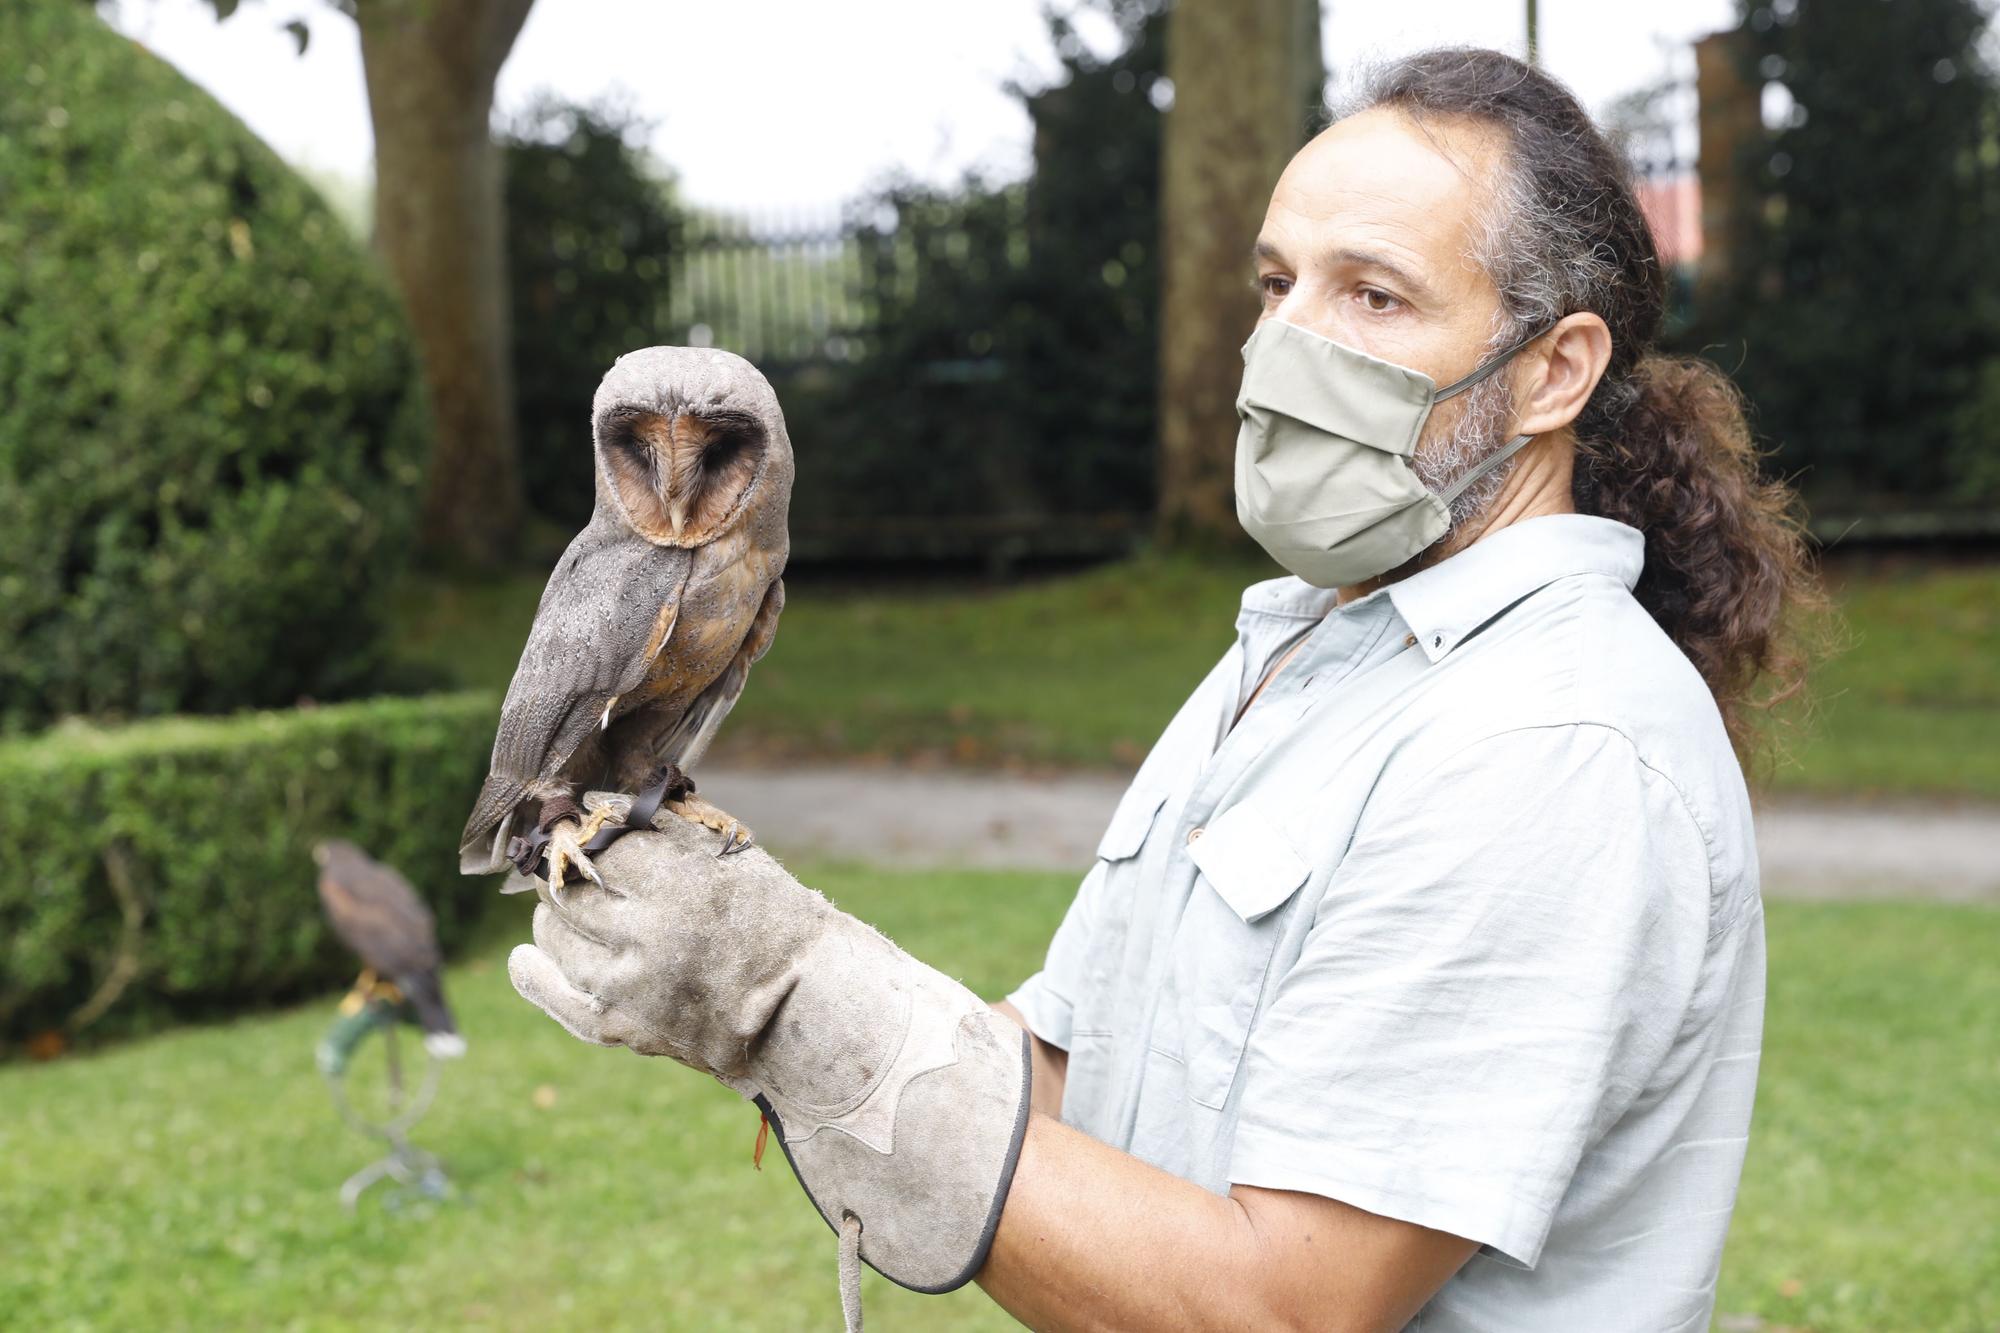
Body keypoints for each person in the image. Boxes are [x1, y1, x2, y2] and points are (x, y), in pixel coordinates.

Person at [508, 46, 1823, 1333]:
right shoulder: (1310, 644)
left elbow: (1284, 1308)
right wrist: (772, 986)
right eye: (1277, 280)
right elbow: (1068, 1072)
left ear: (1552, 371)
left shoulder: (1550, 740)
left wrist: (794, 996)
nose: (1288, 340)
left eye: (1374, 296)